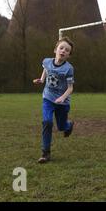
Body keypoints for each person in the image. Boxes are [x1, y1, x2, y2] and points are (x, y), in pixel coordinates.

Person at [33, 36, 75, 164]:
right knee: (47, 122)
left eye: (67, 50)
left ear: (68, 55)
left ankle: (69, 125)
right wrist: (41, 79)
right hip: (48, 98)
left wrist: (62, 97)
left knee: (61, 126)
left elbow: (70, 88)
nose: (63, 51)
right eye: (61, 48)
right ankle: (46, 153)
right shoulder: (46, 61)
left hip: (62, 102)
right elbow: (46, 69)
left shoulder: (68, 69)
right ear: (55, 50)